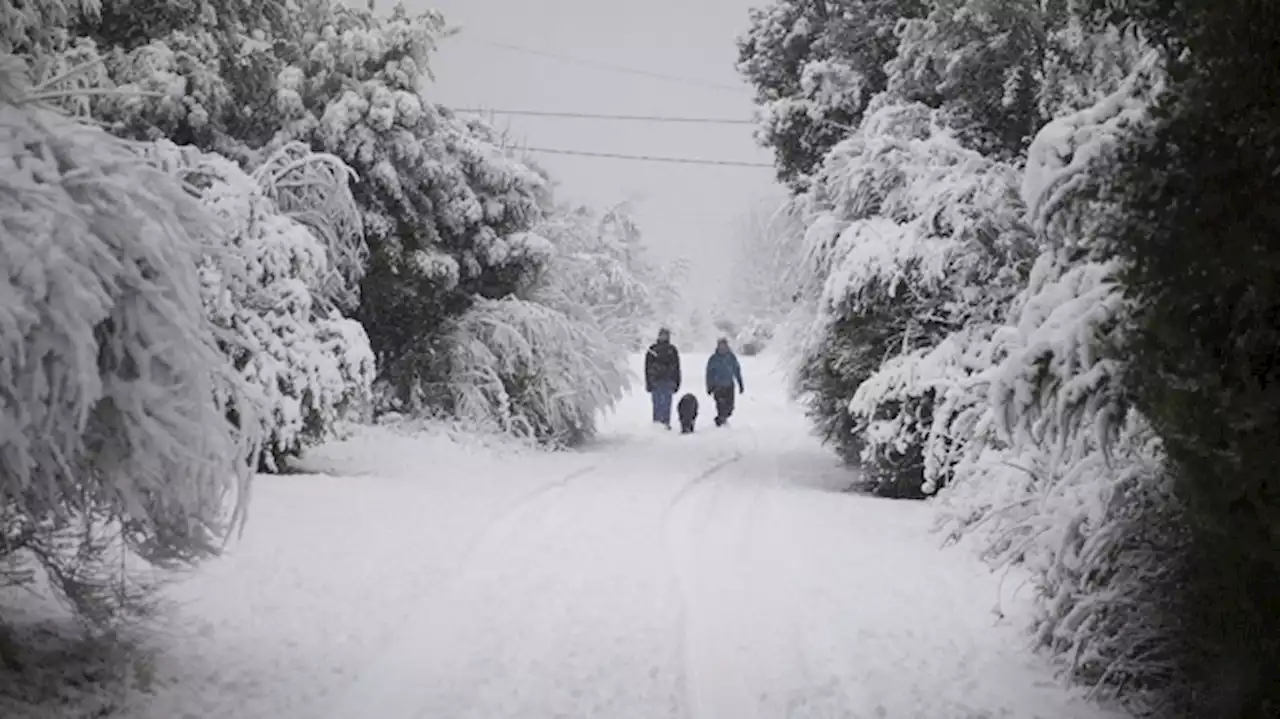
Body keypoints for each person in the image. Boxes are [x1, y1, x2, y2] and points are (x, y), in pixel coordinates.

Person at [644, 328, 681, 429]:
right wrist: (648, 383)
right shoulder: (652, 349)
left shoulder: (672, 350)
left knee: (667, 404)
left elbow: (677, 367)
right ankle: (657, 424)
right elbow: (647, 367)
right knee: (657, 404)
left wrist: (677, 382)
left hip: (668, 381)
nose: (664, 337)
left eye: (666, 335)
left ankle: (665, 423)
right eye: (662, 335)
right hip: (655, 381)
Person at [705, 338, 744, 427]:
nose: (722, 348)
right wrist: (709, 386)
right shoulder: (713, 359)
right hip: (718, 386)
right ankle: (721, 421)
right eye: (720, 346)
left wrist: (740, 384)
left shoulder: (731, 357)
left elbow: (737, 370)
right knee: (721, 405)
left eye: (724, 345)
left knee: (730, 407)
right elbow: (709, 373)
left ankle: (720, 419)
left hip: (729, 385)